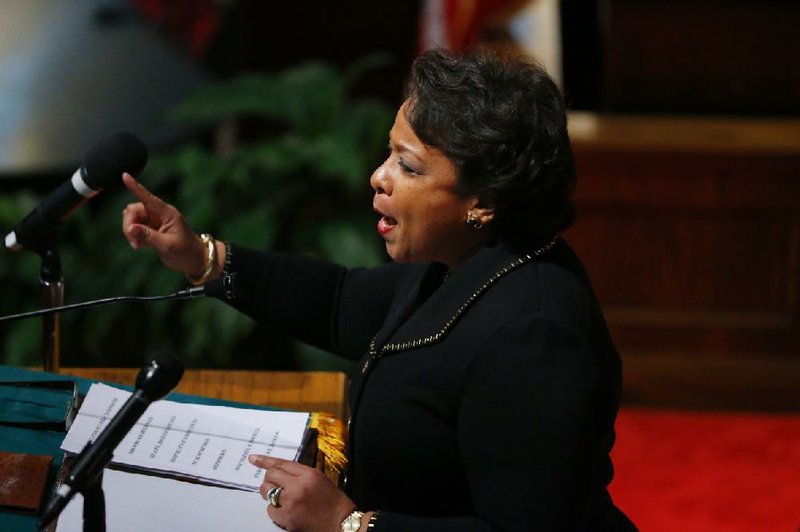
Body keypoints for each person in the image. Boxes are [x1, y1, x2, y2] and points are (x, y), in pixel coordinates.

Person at [121, 49, 636, 531]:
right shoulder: (462, 257)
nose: (377, 177)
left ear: (482, 200)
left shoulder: (535, 338)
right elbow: (342, 301)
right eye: (389, 154)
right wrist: (203, 257)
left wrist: (349, 523)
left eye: (407, 166)